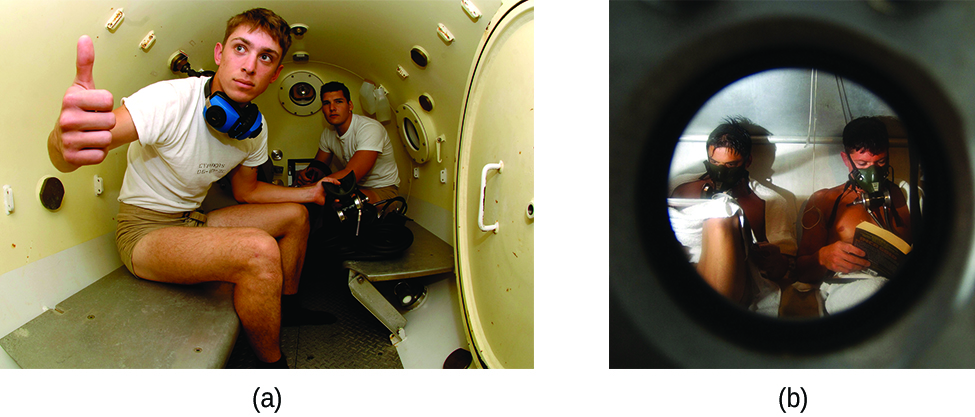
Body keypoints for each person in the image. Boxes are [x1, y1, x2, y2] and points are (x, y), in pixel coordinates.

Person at [47, 8, 338, 368]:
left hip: (193, 221)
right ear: (219, 53)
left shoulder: (254, 129)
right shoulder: (170, 100)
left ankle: (285, 307)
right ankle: (273, 368)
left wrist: (311, 193)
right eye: (241, 49)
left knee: (296, 217)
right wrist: (63, 142)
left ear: (276, 73)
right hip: (144, 233)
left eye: (266, 57)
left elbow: (248, 191)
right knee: (259, 251)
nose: (250, 66)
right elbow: (82, 145)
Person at [670, 118, 796, 309]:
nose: (720, 172)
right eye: (714, 162)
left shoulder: (768, 202)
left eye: (730, 165)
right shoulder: (680, 186)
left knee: (722, 216)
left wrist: (775, 258)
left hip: (739, 285)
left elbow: (782, 270)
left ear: (747, 162)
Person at [795, 116, 912, 314]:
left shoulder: (908, 195)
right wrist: (822, 257)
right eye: (863, 163)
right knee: (874, 291)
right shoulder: (824, 200)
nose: (873, 172)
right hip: (850, 287)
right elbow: (800, 271)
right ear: (845, 160)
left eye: (881, 161)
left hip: (902, 287)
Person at [293, 82, 400, 204]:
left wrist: (308, 189)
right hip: (352, 188)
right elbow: (319, 166)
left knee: (341, 201)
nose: (332, 108)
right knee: (313, 200)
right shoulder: (328, 132)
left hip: (382, 190)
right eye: (326, 103)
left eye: (338, 102)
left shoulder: (369, 128)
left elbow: (351, 175)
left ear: (350, 106)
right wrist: (306, 176)